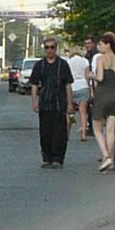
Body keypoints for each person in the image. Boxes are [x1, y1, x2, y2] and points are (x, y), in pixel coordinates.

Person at [87, 31, 115, 169]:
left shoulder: (101, 59)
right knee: (111, 130)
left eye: (101, 44)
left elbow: (100, 78)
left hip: (102, 95)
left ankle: (106, 155)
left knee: (97, 128)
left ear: (108, 45)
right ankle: (112, 161)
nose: (99, 47)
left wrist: (90, 76)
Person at [31, 36, 70, 167]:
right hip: (45, 103)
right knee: (45, 132)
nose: (49, 50)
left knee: (59, 132)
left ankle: (58, 158)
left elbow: (68, 84)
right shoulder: (39, 65)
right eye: (47, 47)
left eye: (52, 47)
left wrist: (70, 102)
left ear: (56, 48)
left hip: (59, 103)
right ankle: (47, 157)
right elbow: (35, 84)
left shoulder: (63, 65)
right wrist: (35, 101)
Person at [67, 42, 93, 139]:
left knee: (71, 112)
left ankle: (68, 131)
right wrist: (89, 88)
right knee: (83, 112)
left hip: (72, 87)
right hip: (83, 86)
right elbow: (87, 76)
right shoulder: (85, 61)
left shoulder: (68, 62)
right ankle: (83, 134)